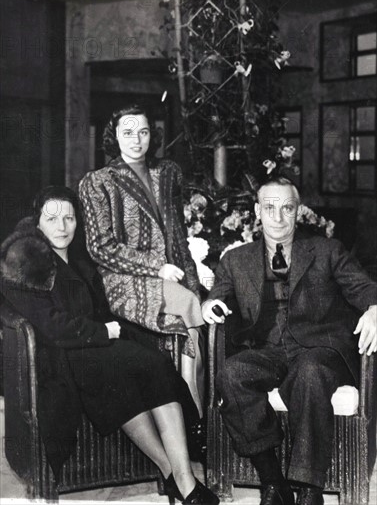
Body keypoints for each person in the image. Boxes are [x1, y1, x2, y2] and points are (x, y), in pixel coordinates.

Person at [0, 186, 219, 505]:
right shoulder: (27, 262)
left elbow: (100, 309)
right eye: (52, 219)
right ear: (38, 223)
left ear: (78, 222)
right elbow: (50, 326)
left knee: (144, 368)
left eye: (69, 218)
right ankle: (182, 479)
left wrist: (113, 330)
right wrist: (104, 332)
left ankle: (175, 475)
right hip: (59, 358)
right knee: (151, 365)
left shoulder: (76, 259)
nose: (62, 227)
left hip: (92, 351)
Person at [202, 175, 377, 505]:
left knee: (309, 372)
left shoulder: (327, 251)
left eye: (286, 208)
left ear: (298, 211)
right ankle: (273, 482)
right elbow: (217, 296)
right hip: (267, 351)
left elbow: (365, 287)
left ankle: (310, 489)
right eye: (270, 208)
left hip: (319, 350)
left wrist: (375, 308)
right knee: (232, 373)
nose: (278, 217)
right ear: (257, 211)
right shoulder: (236, 260)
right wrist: (209, 304)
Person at [78, 105, 205, 418]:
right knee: (190, 310)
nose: (137, 139)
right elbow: (100, 247)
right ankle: (195, 420)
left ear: (153, 134)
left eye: (144, 132)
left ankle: (196, 417)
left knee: (197, 331)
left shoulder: (169, 173)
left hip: (172, 277)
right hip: (123, 281)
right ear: (115, 136)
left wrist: (192, 281)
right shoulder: (98, 181)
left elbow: (178, 237)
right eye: (128, 132)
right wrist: (155, 267)